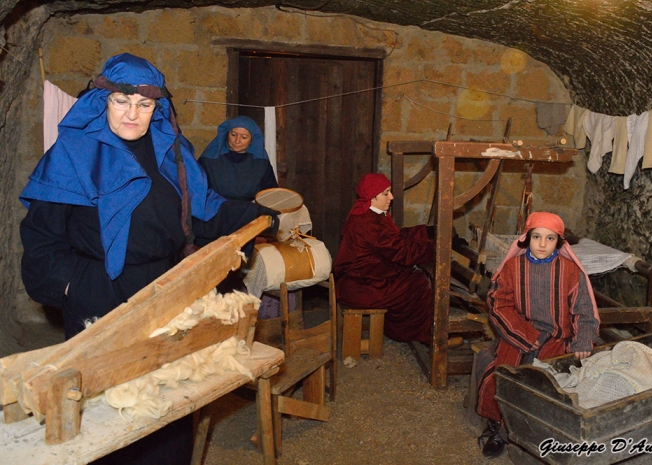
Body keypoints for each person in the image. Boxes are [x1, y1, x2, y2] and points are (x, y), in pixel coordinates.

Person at [19, 53, 278, 465]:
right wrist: (75, 287)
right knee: (103, 420)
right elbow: (41, 239)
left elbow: (205, 209)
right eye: (121, 101)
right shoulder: (73, 154)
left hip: (164, 297)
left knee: (166, 411)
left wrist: (255, 216)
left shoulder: (172, 153)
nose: (132, 114)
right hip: (98, 300)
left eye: (144, 105)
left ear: (157, 108)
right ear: (102, 101)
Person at [475, 211, 599, 458]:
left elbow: (584, 309)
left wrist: (583, 339)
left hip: (556, 337)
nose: (543, 244)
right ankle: (500, 428)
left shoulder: (570, 271)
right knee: (505, 375)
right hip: (518, 332)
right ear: (526, 238)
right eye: (537, 237)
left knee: (543, 380)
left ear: (559, 242)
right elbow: (498, 304)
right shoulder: (512, 268)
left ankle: (537, 434)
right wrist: (526, 334)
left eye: (550, 238)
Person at [333, 173, 434, 345]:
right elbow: (402, 252)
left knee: (411, 275)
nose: (391, 197)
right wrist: (437, 247)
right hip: (362, 287)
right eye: (386, 193)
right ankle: (417, 334)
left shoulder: (366, 214)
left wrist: (427, 232)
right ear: (372, 196)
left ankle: (401, 329)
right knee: (418, 283)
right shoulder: (369, 223)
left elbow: (395, 237)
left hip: (362, 280)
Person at [198, 115, 278, 201]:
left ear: (252, 140)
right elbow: (198, 192)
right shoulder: (209, 160)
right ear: (226, 134)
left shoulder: (261, 163)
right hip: (216, 209)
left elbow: (270, 194)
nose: (237, 141)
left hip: (250, 209)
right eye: (233, 135)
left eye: (244, 137)